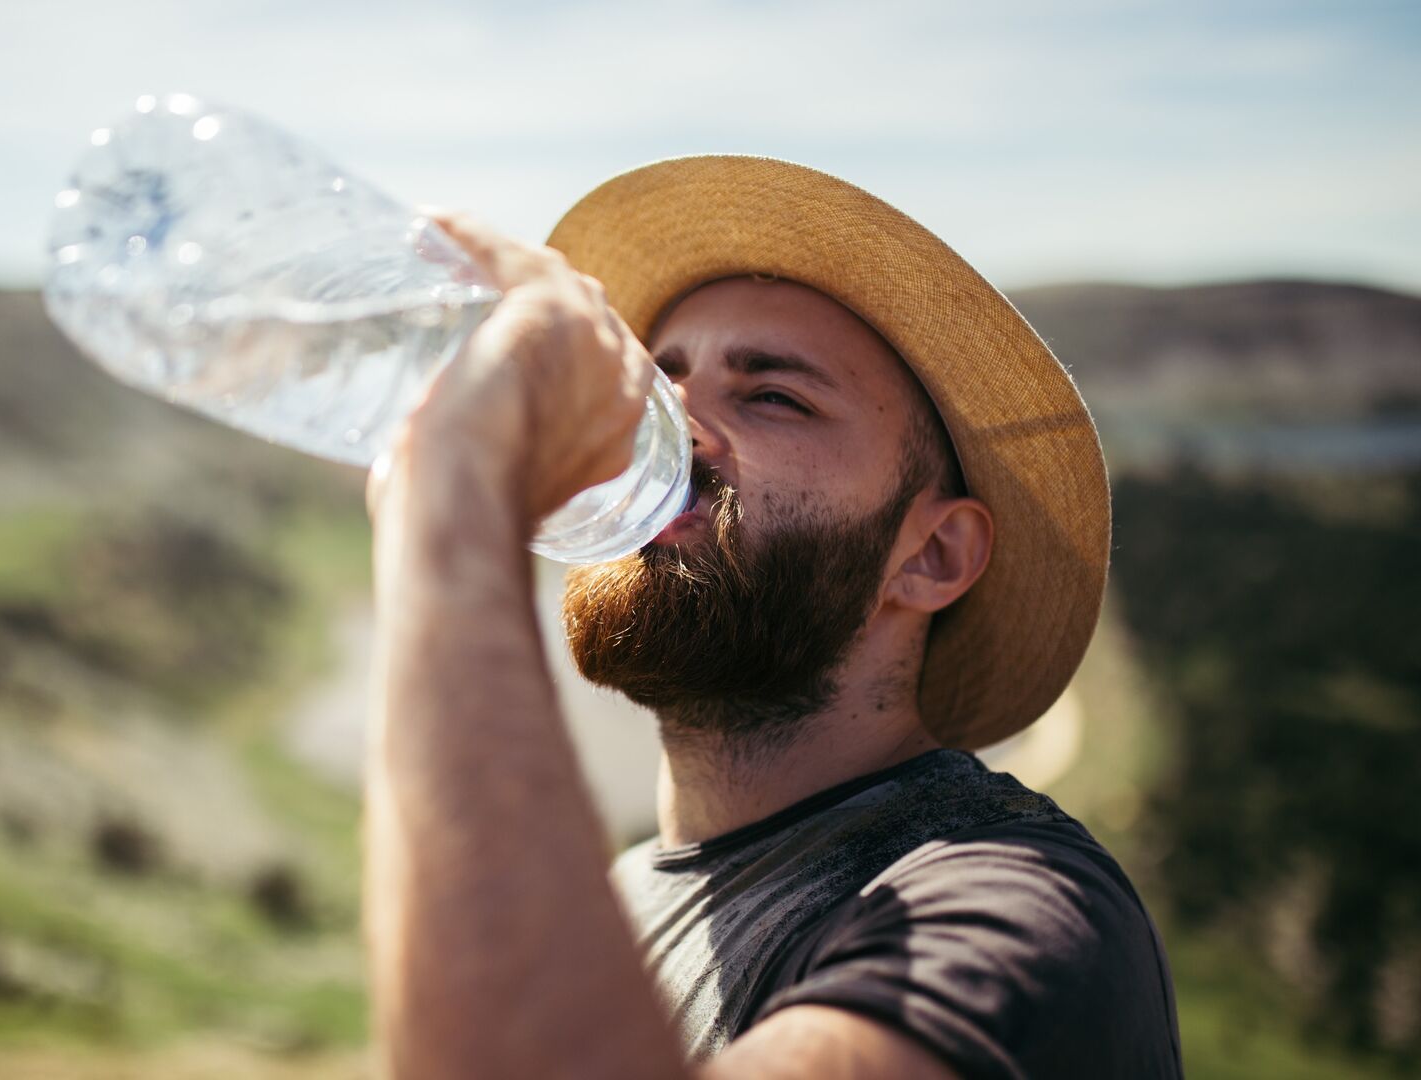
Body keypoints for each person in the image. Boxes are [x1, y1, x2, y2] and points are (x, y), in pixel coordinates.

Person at [361, 156, 1183, 1079]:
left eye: (773, 396)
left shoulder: (1017, 910)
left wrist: (451, 502)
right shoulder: (615, 902)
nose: (669, 433)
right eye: (657, 384)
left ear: (931, 555)